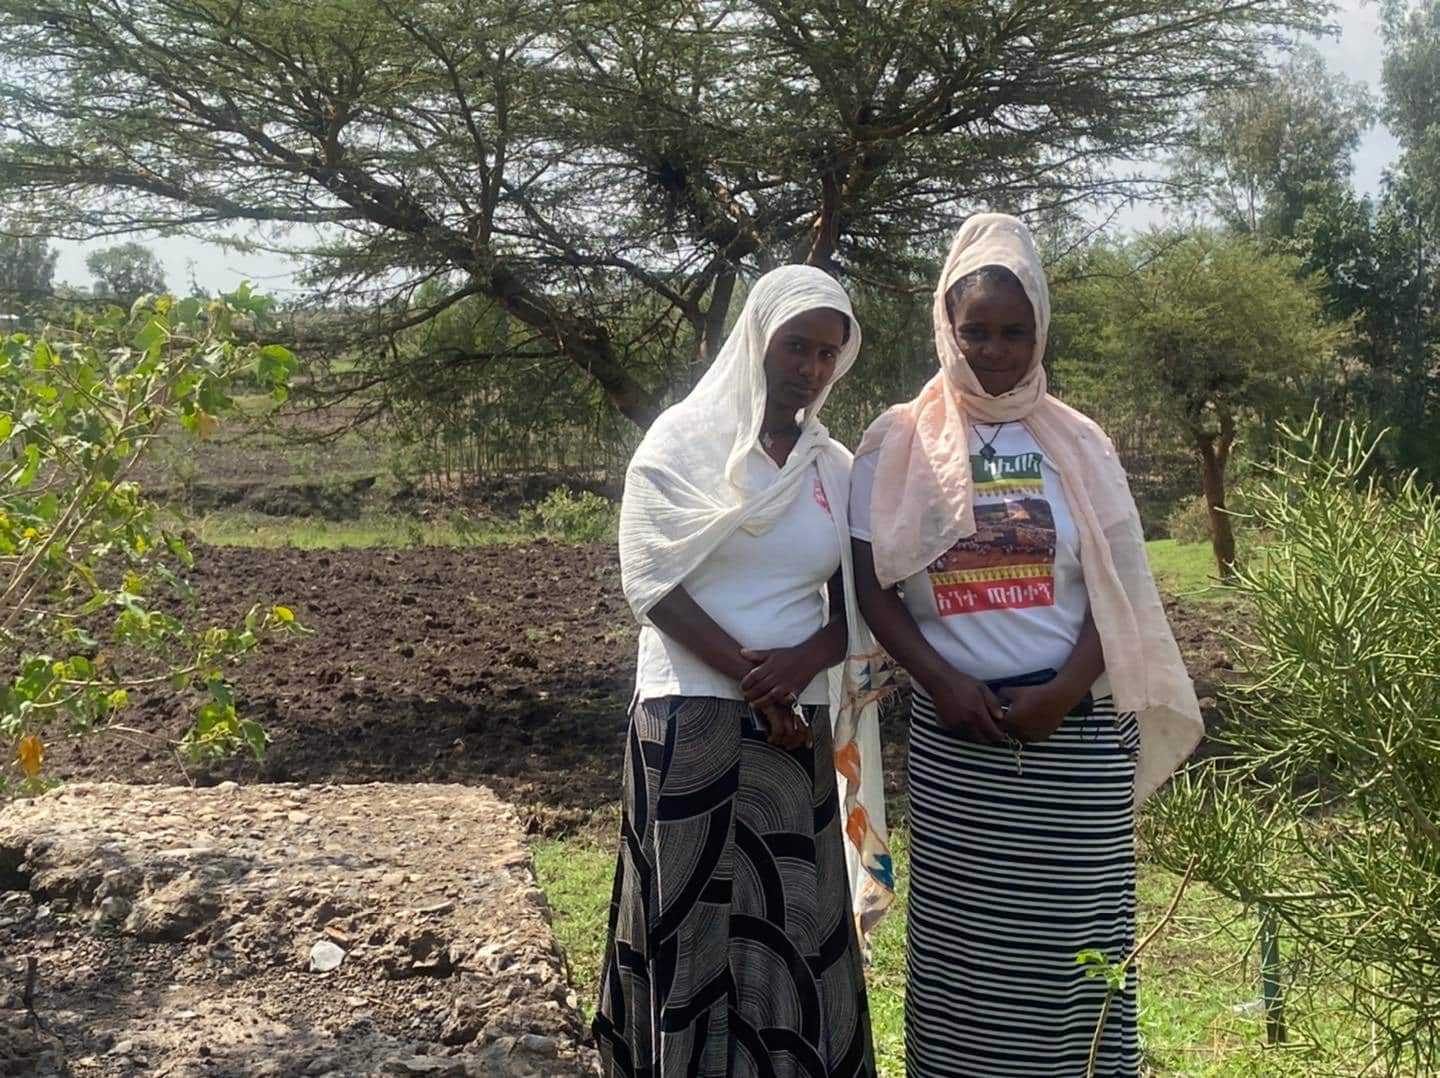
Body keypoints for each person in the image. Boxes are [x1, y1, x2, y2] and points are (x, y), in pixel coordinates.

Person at [849, 214, 1203, 1077]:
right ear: (947, 326)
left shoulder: (1079, 443)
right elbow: (870, 587)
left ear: (1041, 327)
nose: (994, 351)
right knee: (966, 954)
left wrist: (1062, 693)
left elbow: (1118, 592)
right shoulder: (896, 441)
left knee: (1076, 946)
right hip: (955, 734)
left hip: (1072, 738)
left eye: (1015, 331)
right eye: (975, 331)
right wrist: (941, 682)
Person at [595, 265, 893, 1078]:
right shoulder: (681, 441)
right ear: (758, 341)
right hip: (689, 714)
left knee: (793, 918)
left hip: (797, 728)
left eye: (828, 353)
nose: (810, 367)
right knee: (690, 920)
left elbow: (856, 604)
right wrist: (751, 675)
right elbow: (650, 578)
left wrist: (800, 666)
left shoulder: (831, 466)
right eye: (796, 345)